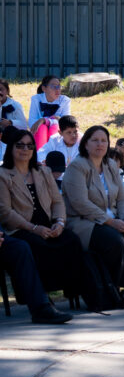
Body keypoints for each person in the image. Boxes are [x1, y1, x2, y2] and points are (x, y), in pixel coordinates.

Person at [0, 129, 90, 320]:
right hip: (21, 228)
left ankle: (82, 292)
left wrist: (59, 222)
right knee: (35, 245)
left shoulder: (43, 171)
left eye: (29, 145)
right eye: (20, 145)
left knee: (71, 240)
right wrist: (33, 228)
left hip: (48, 225)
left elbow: (57, 202)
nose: (25, 149)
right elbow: (6, 212)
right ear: (11, 148)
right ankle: (43, 300)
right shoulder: (3, 174)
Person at [63, 126, 124, 307]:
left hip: (116, 219)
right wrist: (111, 222)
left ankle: (118, 285)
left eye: (104, 140)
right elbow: (80, 203)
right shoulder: (76, 167)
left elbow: (122, 198)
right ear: (85, 144)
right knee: (115, 242)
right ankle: (110, 290)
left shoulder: (110, 165)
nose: (100, 144)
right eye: (95, 140)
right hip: (85, 222)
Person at [28, 74, 71, 150]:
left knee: (54, 127)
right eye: (53, 86)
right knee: (41, 128)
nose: (57, 89)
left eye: (59, 86)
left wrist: (45, 120)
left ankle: (54, 156)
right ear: (44, 88)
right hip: (38, 133)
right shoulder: (36, 99)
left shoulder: (65, 100)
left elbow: (66, 123)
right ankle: (40, 158)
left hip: (57, 131)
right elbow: (32, 121)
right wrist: (52, 120)